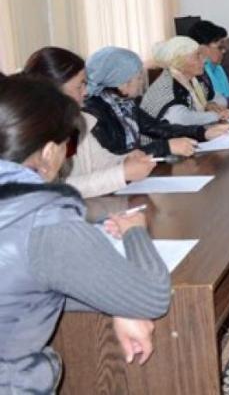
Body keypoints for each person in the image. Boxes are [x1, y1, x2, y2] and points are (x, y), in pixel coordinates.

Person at [0, 74, 171, 393]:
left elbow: (20, 289)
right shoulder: (44, 220)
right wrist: (136, 232)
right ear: (48, 152)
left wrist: (113, 299)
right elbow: (152, 298)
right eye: (67, 145)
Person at [22, 47, 155, 197]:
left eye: (85, 84)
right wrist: (121, 174)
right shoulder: (31, 133)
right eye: (79, 86)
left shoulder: (76, 121)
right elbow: (53, 190)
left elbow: (96, 161)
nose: (85, 92)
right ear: (54, 90)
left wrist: (125, 160)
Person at [83, 46, 229, 157]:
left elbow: (156, 127)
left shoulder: (124, 103)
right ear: (121, 83)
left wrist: (204, 132)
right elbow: (116, 157)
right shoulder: (94, 113)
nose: (142, 83)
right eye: (138, 78)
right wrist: (166, 147)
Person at [141, 36, 229, 125]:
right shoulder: (167, 86)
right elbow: (179, 119)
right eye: (197, 56)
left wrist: (211, 104)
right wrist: (215, 115)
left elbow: (219, 98)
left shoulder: (195, 79)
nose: (204, 60)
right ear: (180, 62)